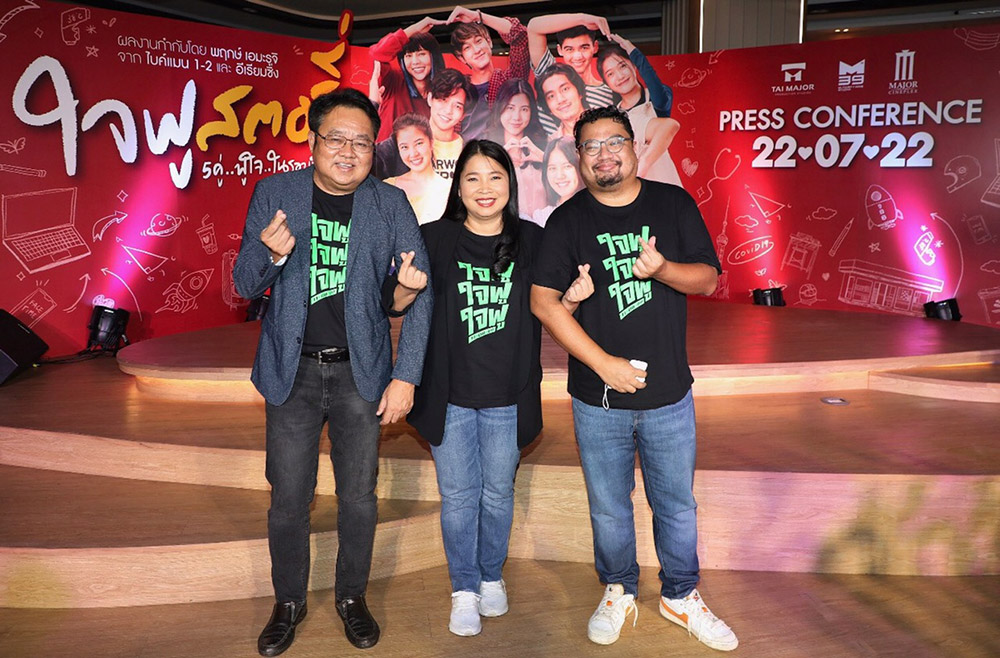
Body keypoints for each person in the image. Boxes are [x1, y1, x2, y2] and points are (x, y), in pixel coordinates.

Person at [530, 106, 738, 652]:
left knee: (676, 505)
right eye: (591, 146)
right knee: (608, 505)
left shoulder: (673, 204)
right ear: (579, 158)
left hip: (669, 394)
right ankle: (618, 588)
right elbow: (543, 303)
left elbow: (708, 279)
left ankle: (680, 594)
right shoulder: (567, 221)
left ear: (633, 146)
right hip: (596, 400)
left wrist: (662, 269)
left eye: (614, 142)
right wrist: (604, 365)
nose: (605, 154)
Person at [233, 88, 432, 656]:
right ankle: (288, 602)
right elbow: (244, 283)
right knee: (288, 499)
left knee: (359, 497)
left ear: (375, 150)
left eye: (362, 143)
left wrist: (406, 376)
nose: (348, 151)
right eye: (337, 139)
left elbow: (419, 291)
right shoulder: (276, 193)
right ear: (314, 141)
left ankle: (351, 596)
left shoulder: (390, 204)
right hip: (290, 373)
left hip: (360, 375)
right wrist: (272, 256)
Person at [399, 139, 592, 637]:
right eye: (473, 178)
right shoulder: (434, 238)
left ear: (510, 183)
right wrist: (403, 287)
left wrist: (571, 300)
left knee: (498, 493)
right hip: (450, 396)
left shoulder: (533, 239)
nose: (484, 188)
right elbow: (396, 304)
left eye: (495, 177)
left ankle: (491, 576)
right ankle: (464, 588)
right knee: (459, 496)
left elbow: (549, 312)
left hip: (509, 395)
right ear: (458, 187)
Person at [597, 37, 682, 187]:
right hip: (630, 189)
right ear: (607, 83)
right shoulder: (613, 118)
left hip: (664, 183)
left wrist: (632, 50)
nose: (620, 76)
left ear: (633, 65)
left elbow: (654, 82)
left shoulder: (656, 100)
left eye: (622, 66)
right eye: (610, 74)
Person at [447, 6, 530, 141]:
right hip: (464, 152)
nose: (476, 50)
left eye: (478, 41)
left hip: (500, 151)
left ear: (489, 42)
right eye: (467, 47)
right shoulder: (458, 88)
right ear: (462, 58)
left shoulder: (509, 81)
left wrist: (477, 17)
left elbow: (520, 35)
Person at [526, 14, 617, 135]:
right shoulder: (550, 77)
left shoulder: (608, 92)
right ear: (560, 50)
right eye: (569, 49)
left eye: (584, 48)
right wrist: (583, 19)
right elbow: (534, 27)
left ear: (595, 47)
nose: (577, 56)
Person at [368, 17, 447, 142]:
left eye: (421, 54)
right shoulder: (393, 80)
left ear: (433, 57)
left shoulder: (443, 94)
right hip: (384, 153)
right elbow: (378, 52)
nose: (415, 62)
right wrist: (415, 28)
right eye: (408, 56)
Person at [487, 79, 547, 218]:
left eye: (524, 109)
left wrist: (545, 159)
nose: (517, 117)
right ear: (500, 108)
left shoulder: (543, 147)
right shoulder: (486, 148)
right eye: (510, 108)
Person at [384, 113, 450, 224]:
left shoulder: (449, 189)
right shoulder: (387, 187)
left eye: (419, 143)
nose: (413, 153)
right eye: (404, 147)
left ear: (431, 142)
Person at [531, 137, 582, 227]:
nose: (559, 176)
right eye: (552, 168)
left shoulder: (598, 208)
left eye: (567, 166)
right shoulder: (542, 217)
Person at [534, 63, 590, 141]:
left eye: (565, 89)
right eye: (551, 96)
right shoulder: (552, 144)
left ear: (579, 91)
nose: (560, 100)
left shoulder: (605, 124)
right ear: (548, 107)